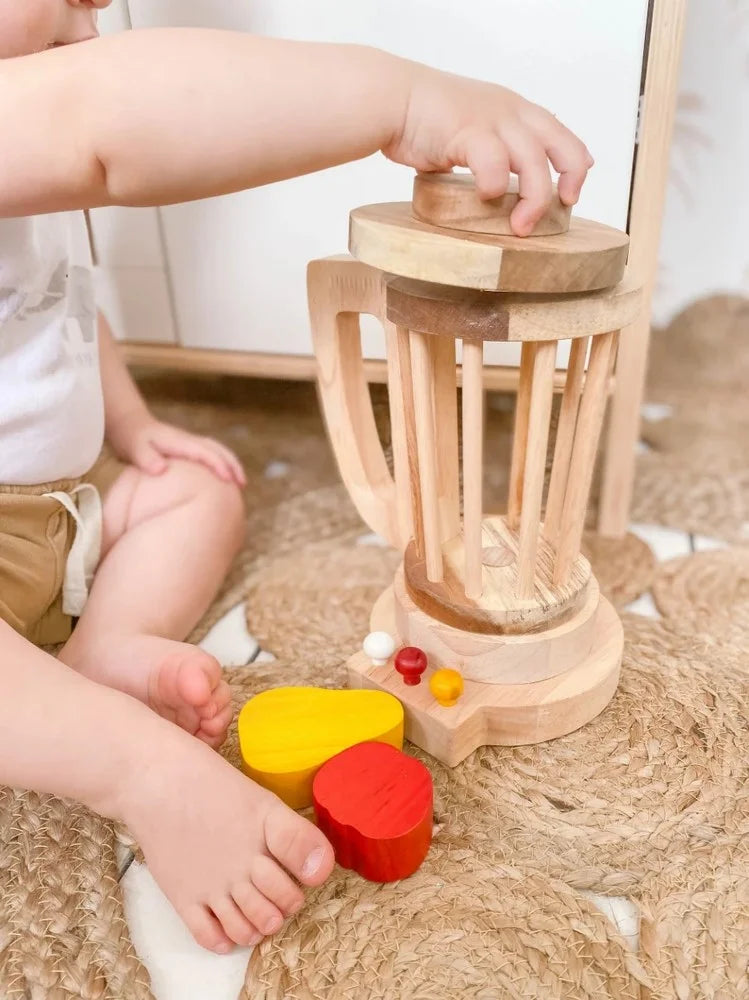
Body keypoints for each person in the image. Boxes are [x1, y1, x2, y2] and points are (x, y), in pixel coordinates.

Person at [0, 0, 594, 954]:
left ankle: (106, 646)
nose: (99, 4)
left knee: (198, 489)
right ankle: (135, 767)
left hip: (61, 510)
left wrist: (134, 425)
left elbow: (65, 310)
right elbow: (106, 119)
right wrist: (399, 98)